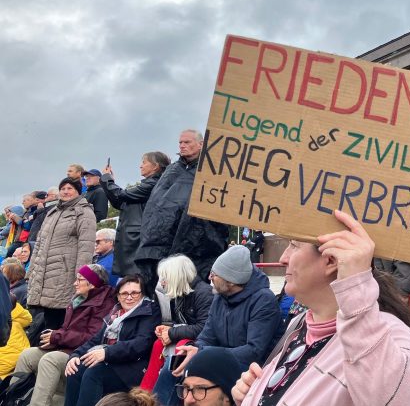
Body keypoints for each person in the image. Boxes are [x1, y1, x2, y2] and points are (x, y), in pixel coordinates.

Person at [233, 210, 410, 406]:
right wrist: (255, 393)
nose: (283, 258)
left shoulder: (390, 333)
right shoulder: (301, 323)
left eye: (293, 245)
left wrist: (357, 292)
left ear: (331, 260)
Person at [136, 130, 228, 294]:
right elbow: (155, 205)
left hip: (197, 242)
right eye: (180, 142)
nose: (182, 146)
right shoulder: (172, 170)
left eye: (187, 142)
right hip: (162, 242)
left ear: (201, 144)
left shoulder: (212, 169)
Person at [171, 246, 282, 378]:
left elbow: (253, 351)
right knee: (174, 368)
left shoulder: (264, 301)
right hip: (224, 360)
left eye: (214, 274)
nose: (209, 277)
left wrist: (204, 353)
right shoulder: (220, 297)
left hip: (253, 369)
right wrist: (194, 349)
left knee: (195, 374)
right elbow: (207, 336)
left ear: (230, 281)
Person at [14, 264, 115, 406]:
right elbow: (65, 329)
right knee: (27, 355)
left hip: (80, 354)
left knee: (50, 360)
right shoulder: (78, 299)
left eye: (79, 279)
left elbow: (92, 337)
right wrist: (54, 340)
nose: (75, 283)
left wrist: (57, 337)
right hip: (65, 348)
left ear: (92, 283)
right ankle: (12, 399)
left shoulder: (104, 303)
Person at [64, 275, 161, 406]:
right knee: (75, 370)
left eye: (134, 293)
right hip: (110, 362)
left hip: (132, 367)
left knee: (94, 373)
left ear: (142, 294)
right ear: (118, 296)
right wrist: (76, 355)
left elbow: (141, 343)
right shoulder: (115, 313)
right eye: (124, 293)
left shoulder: (149, 311)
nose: (129, 297)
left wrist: (106, 353)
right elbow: (96, 339)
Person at [28, 177, 97, 329]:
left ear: (78, 191)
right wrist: (31, 271)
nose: (65, 191)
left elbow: (86, 247)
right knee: (48, 319)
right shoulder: (52, 212)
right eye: (63, 188)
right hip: (45, 274)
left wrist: (82, 276)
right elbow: (39, 244)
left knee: (62, 319)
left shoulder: (84, 212)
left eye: (70, 188)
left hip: (65, 275)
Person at [150, 255, 214, 406]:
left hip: (200, 345)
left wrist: (172, 333)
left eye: (165, 278)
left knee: (174, 361)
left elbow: (204, 327)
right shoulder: (181, 293)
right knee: (158, 345)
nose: (162, 283)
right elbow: (183, 323)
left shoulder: (204, 293)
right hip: (189, 341)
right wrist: (168, 329)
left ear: (176, 276)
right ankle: (148, 395)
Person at [101, 151, 170, 277]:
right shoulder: (149, 184)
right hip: (130, 240)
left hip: (136, 242)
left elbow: (122, 195)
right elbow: (120, 202)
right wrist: (109, 181)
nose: (140, 166)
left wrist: (107, 180)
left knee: (135, 279)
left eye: (144, 162)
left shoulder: (154, 184)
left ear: (155, 166)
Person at [0, 295, 32, 378]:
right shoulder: (15, 318)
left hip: (4, 366)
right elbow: (28, 319)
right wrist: (9, 303)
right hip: (24, 358)